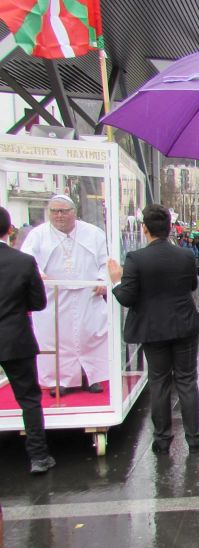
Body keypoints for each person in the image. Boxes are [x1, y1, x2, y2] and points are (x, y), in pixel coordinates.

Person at [108, 204, 199, 456]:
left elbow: (127, 297)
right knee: (187, 381)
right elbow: (192, 284)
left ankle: (162, 439)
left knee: (159, 382)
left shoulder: (136, 259)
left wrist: (116, 279)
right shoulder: (185, 255)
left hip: (153, 329)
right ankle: (195, 438)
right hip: (183, 325)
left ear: (144, 229)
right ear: (169, 228)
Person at [20, 194, 109, 395]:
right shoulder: (38, 235)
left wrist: (101, 280)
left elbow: (105, 262)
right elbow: (28, 261)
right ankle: (59, 380)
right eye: (54, 211)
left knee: (90, 336)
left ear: (74, 213)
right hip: (54, 299)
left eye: (64, 211)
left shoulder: (93, 233)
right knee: (55, 339)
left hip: (87, 296)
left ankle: (91, 376)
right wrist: (40, 276)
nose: (59, 215)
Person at [0, 206, 53, 474]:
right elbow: (38, 301)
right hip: (15, 337)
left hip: (14, 337)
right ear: (10, 231)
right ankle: (38, 456)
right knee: (29, 399)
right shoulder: (23, 262)